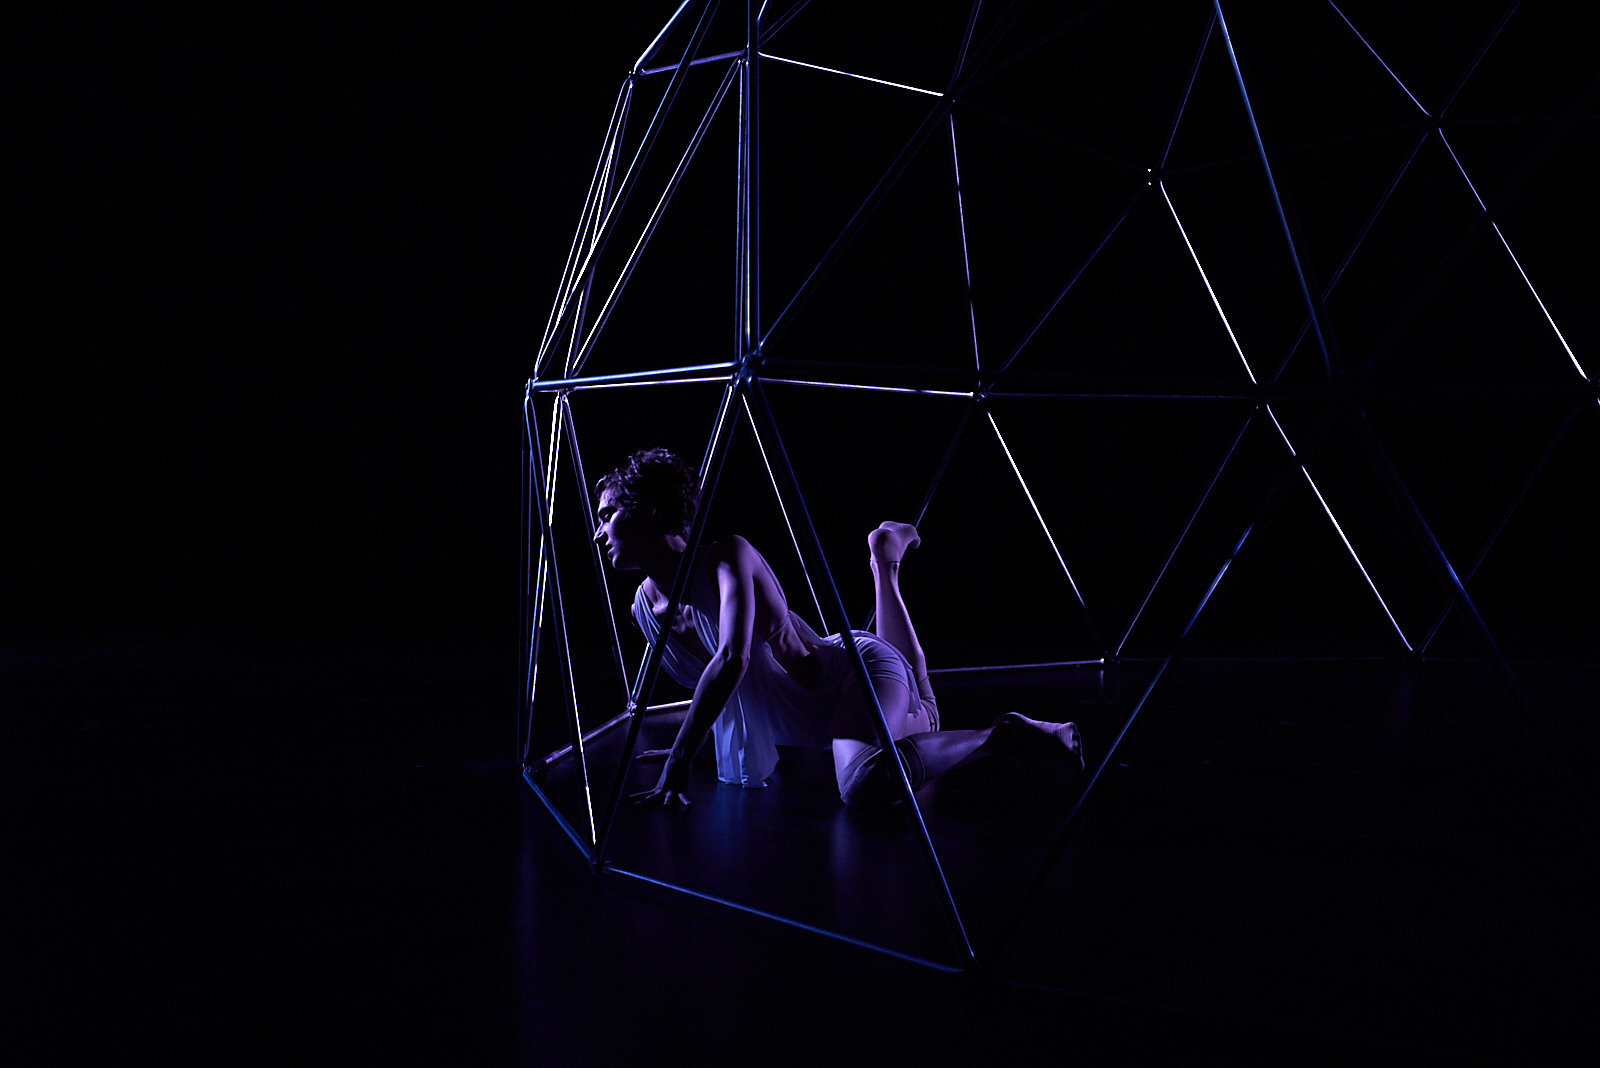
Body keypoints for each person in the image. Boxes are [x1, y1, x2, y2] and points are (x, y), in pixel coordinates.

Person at [592, 447, 1082, 808]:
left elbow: (732, 660)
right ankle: (884, 562)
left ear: (649, 508)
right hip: (814, 716)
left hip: (851, 673)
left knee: (865, 780)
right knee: (892, 739)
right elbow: (733, 696)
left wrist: (681, 757)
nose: (597, 534)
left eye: (608, 515)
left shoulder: (726, 557)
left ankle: (1004, 733)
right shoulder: (643, 608)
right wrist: (698, 745)